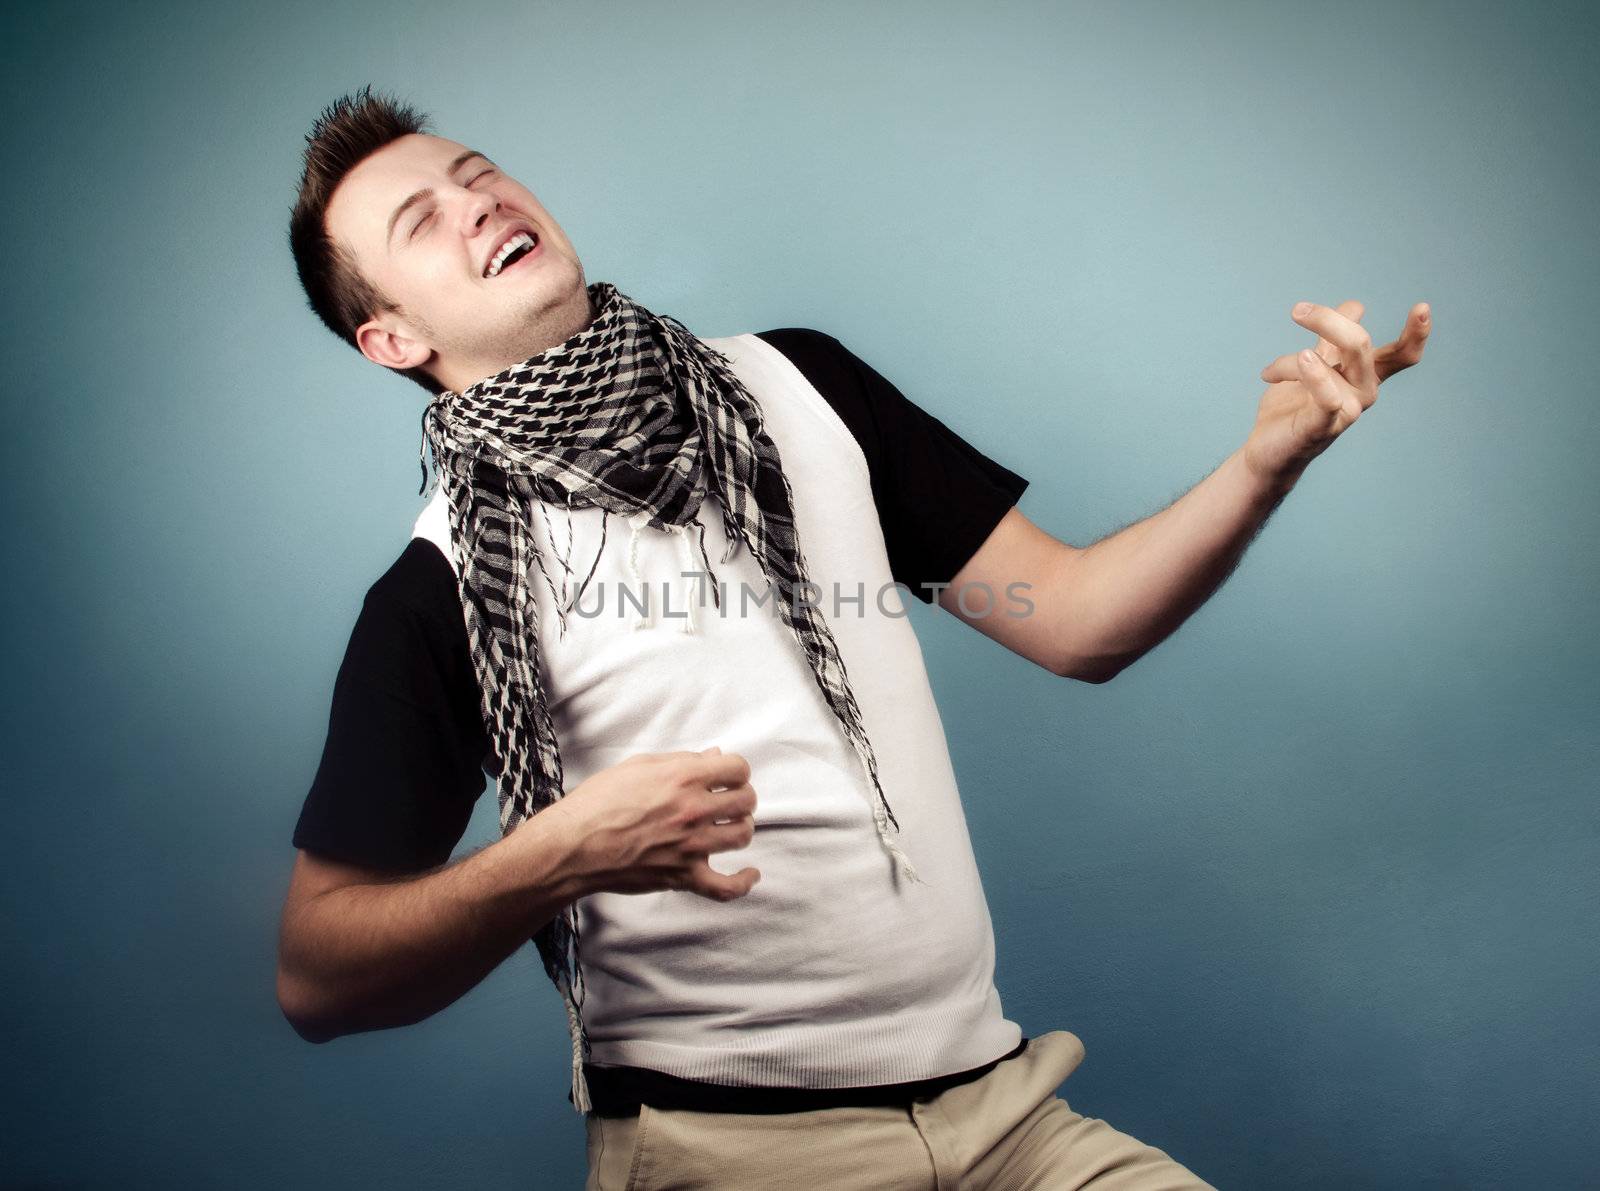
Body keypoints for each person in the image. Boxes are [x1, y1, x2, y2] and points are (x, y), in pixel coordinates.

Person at [275, 86, 1430, 1190]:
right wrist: (557, 854)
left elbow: (1074, 621)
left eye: (478, 176)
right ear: (389, 339)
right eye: (423, 221)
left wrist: (1264, 463)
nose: (477, 202)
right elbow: (319, 975)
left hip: (1007, 1116)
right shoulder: (444, 588)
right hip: (730, 1158)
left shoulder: (799, 385)